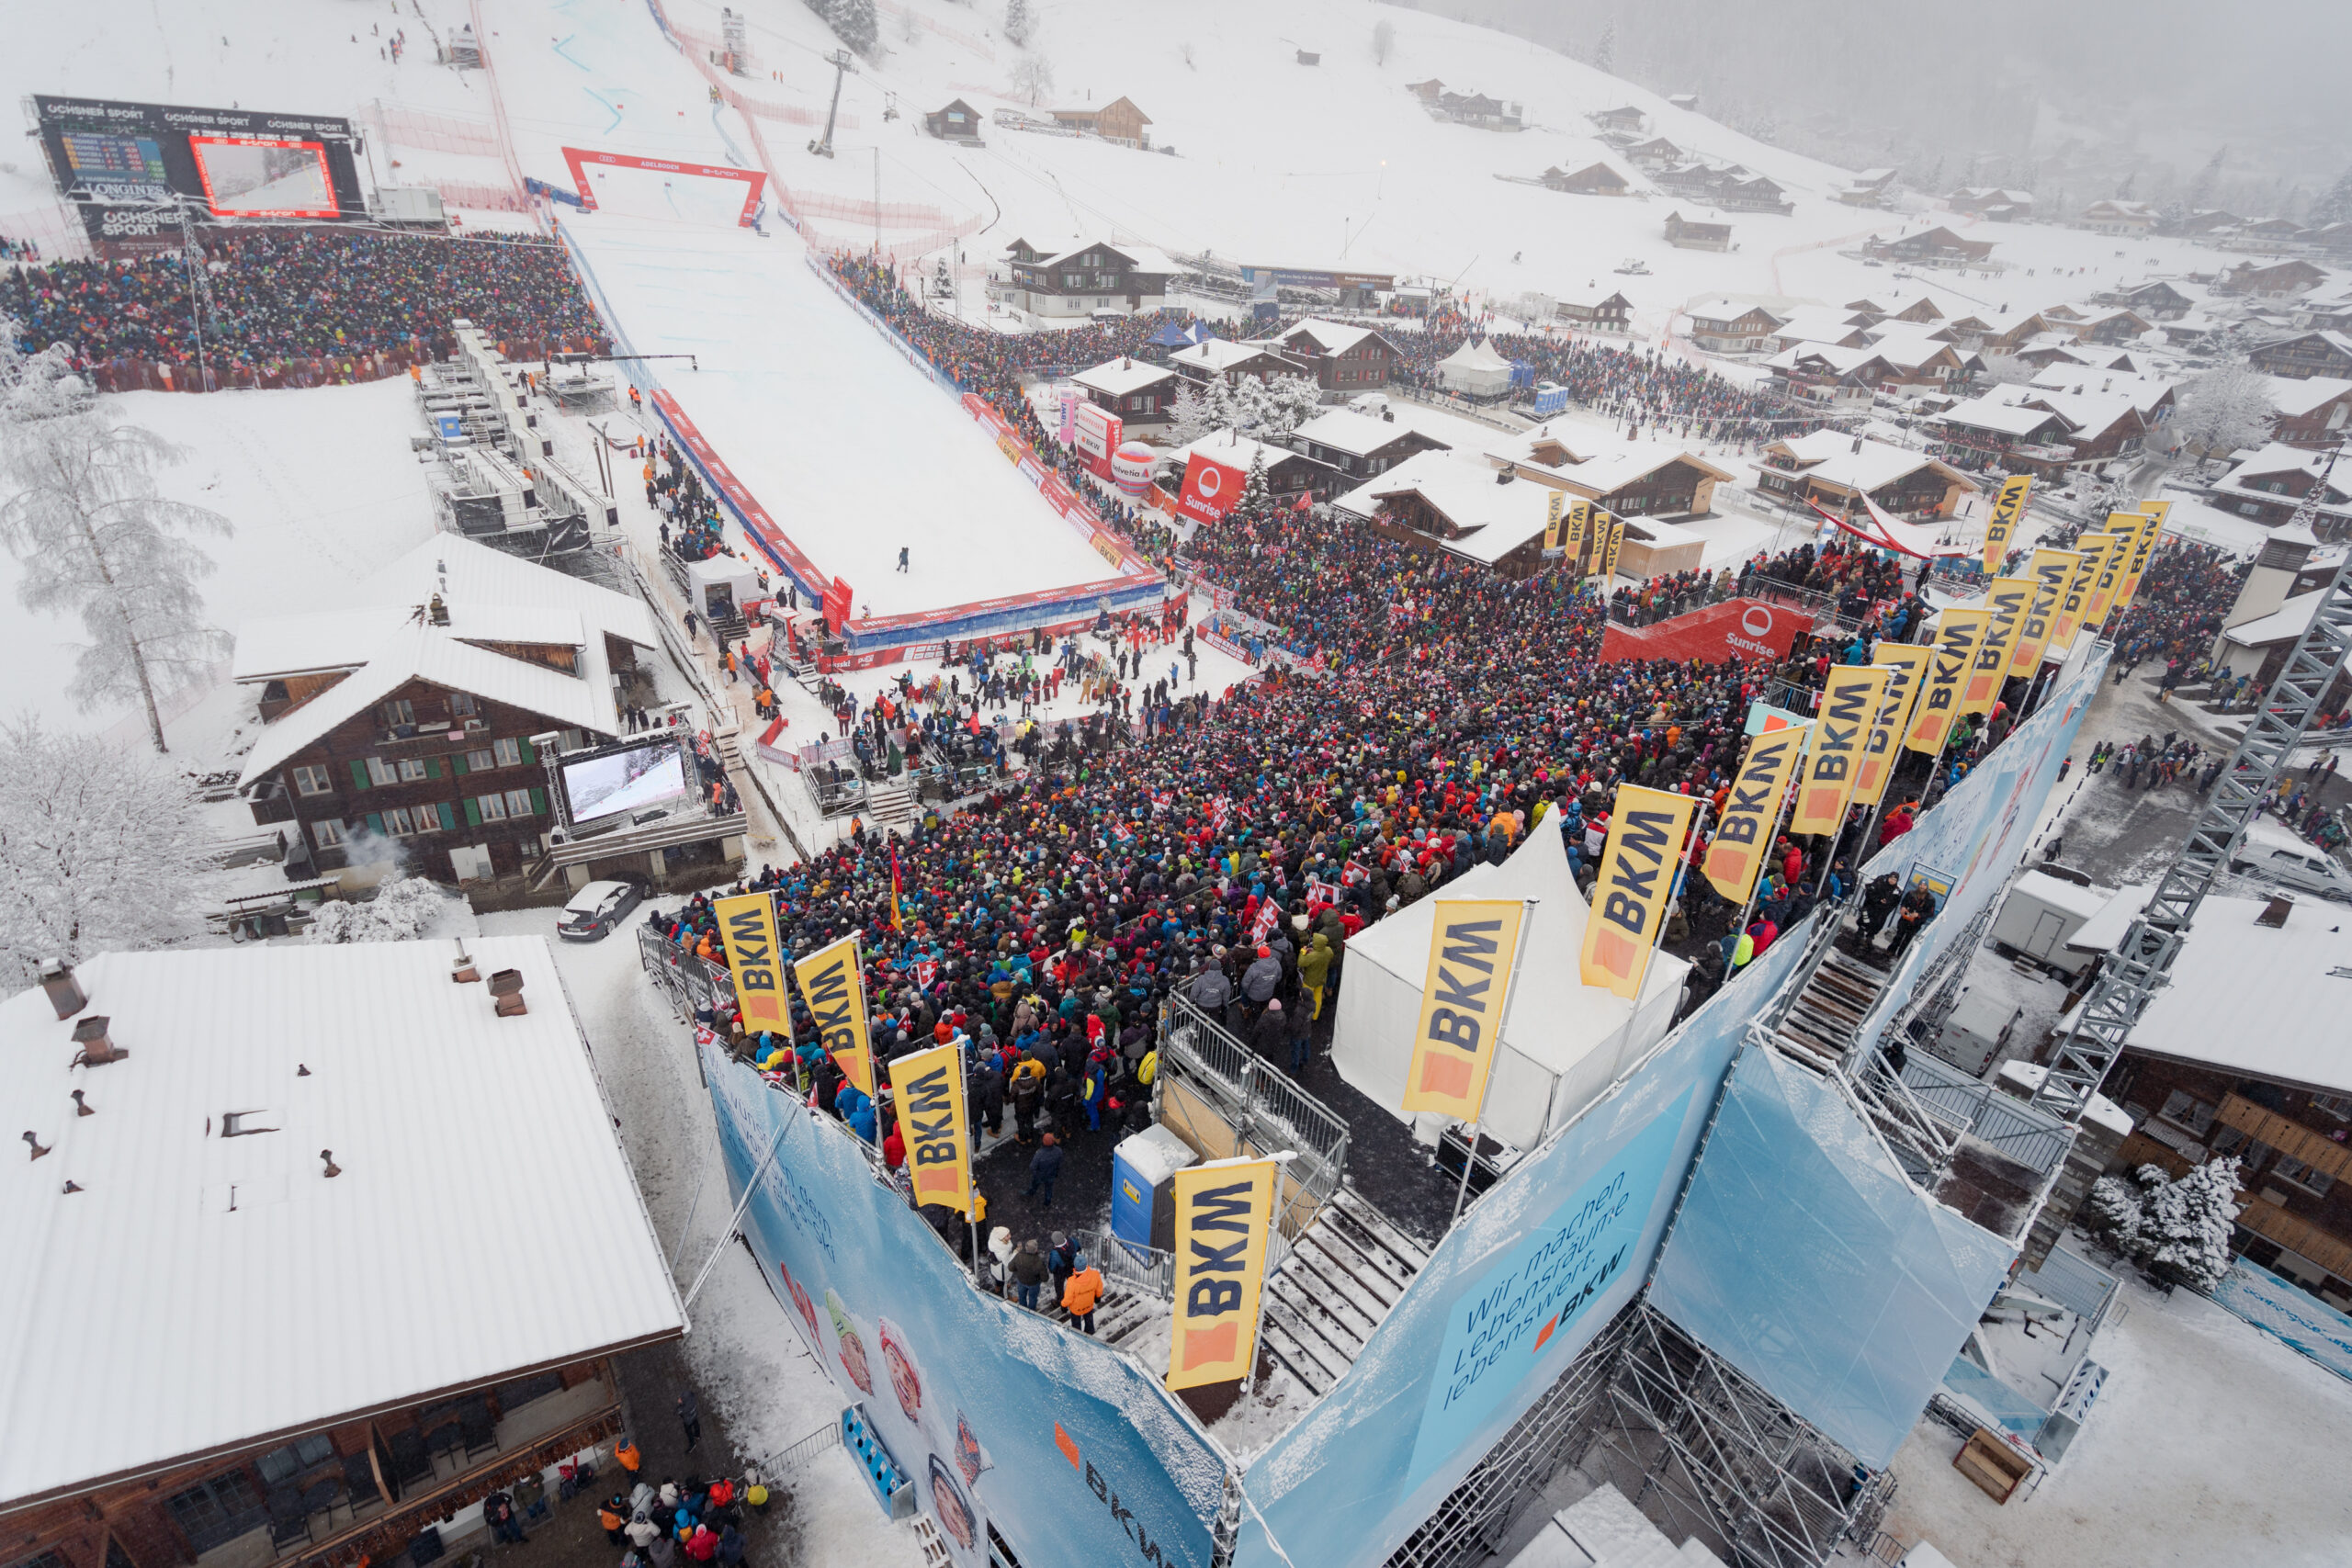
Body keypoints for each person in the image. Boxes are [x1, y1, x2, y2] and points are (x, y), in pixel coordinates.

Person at [1062, 1253, 1105, 1335]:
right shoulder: (1095, 1274)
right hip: (1089, 1304)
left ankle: (1078, 1335)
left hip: (1076, 1308)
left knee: (1076, 1325)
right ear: (1086, 1265)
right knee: (1089, 1320)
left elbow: (1068, 1298)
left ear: (1075, 1267)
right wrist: (1098, 1297)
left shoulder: (1072, 1281)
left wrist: (1063, 1305)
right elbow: (1099, 1288)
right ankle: (1090, 1333)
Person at [1025, 1132, 1063, 1208]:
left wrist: (1036, 1175)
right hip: (1051, 1175)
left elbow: (1032, 1167)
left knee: (1034, 1185)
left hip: (1040, 1175)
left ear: (1043, 1142)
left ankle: (1030, 1194)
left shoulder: (1039, 1154)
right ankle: (1047, 1203)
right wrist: (1056, 1172)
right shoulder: (1059, 1151)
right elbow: (1059, 1164)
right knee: (1049, 1189)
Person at [1011, 1237, 1048, 1309]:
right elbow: (1045, 1278)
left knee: (1021, 1297)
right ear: (1036, 1250)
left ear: (1026, 1248)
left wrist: (1019, 1270)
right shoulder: (1039, 1262)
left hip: (1021, 1281)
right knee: (1033, 1298)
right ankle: (1031, 1311)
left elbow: (1010, 1267)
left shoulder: (1019, 1256)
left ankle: (1023, 1309)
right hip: (1034, 1284)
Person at [677, 1390, 701, 1454]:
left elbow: (681, 1412)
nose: (679, 1400)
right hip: (694, 1415)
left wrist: (679, 1408)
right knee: (696, 1423)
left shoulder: (685, 1408)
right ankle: (697, 1435)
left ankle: (692, 1444)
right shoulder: (692, 1398)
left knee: (688, 1431)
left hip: (688, 1420)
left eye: (681, 1399)